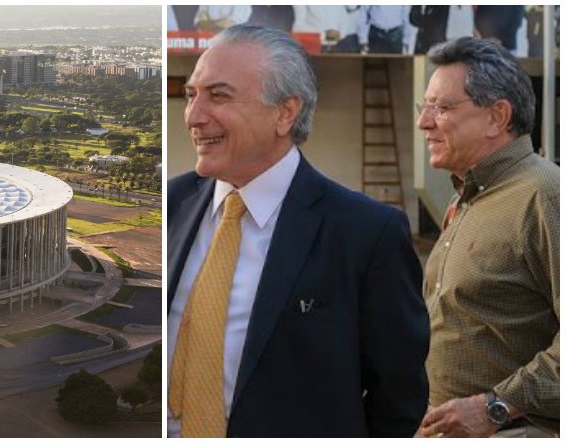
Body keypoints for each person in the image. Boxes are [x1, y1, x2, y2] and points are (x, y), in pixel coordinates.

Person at [166, 24, 429, 438]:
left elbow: (398, 398)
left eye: (218, 95)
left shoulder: (365, 233)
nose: (194, 116)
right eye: (191, 95)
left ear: (285, 113)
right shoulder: (170, 204)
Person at [416, 37, 559, 439]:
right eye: (424, 106)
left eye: (442, 108)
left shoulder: (546, 195)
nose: (424, 122)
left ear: (497, 117)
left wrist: (496, 407)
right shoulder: (467, 197)